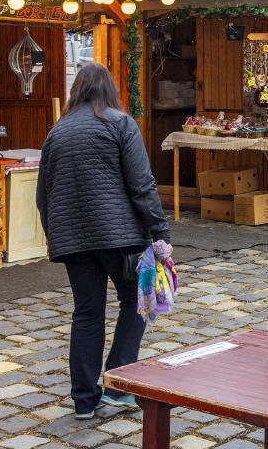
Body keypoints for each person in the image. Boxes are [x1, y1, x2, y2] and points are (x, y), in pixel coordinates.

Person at [38, 62, 172, 419]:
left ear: (76, 90)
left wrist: (56, 236)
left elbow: (43, 194)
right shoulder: (120, 123)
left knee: (87, 313)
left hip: (73, 240)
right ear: (109, 88)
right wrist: (160, 233)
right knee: (137, 304)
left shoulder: (57, 131)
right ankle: (117, 387)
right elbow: (141, 185)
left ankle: (84, 399)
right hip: (122, 237)